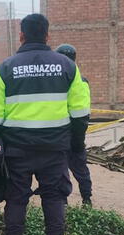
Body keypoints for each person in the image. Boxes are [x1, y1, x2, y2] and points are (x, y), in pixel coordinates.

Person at [0, 14, 91, 235]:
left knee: (16, 198)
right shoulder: (68, 66)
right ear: (47, 35)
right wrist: (76, 144)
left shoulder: (5, 69)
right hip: (55, 147)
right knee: (53, 197)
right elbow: (81, 114)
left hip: (17, 149)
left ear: (21, 35)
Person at [56, 43, 93, 207]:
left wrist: (78, 139)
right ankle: (77, 200)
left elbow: (81, 113)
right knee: (73, 169)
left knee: (71, 169)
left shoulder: (79, 81)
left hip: (66, 134)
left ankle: (85, 199)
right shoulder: (76, 79)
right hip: (67, 133)